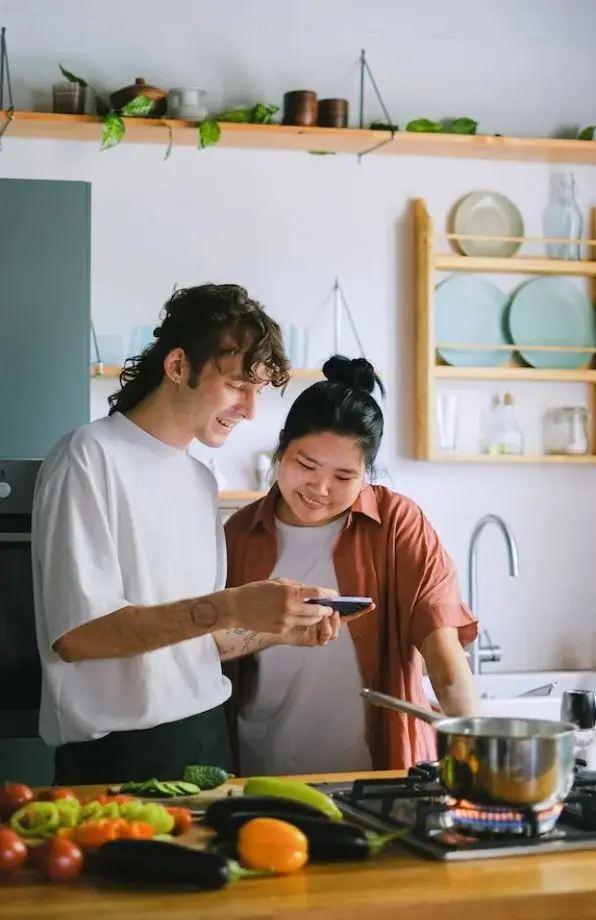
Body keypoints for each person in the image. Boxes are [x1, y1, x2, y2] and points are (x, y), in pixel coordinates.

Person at [32, 284, 337, 785]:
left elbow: (197, 639)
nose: (250, 410)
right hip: (116, 759)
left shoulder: (199, 480)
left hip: (205, 739)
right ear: (178, 367)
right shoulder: (88, 457)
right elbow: (78, 636)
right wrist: (234, 606)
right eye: (239, 385)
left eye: (258, 391)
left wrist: (278, 627)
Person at [223, 355, 479, 775]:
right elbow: (211, 645)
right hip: (260, 766)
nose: (320, 489)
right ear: (281, 447)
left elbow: (442, 650)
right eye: (306, 465)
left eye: (344, 476)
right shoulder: (239, 534)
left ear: (366, 474)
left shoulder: (397, 524)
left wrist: (478, 745)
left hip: (377, 774)